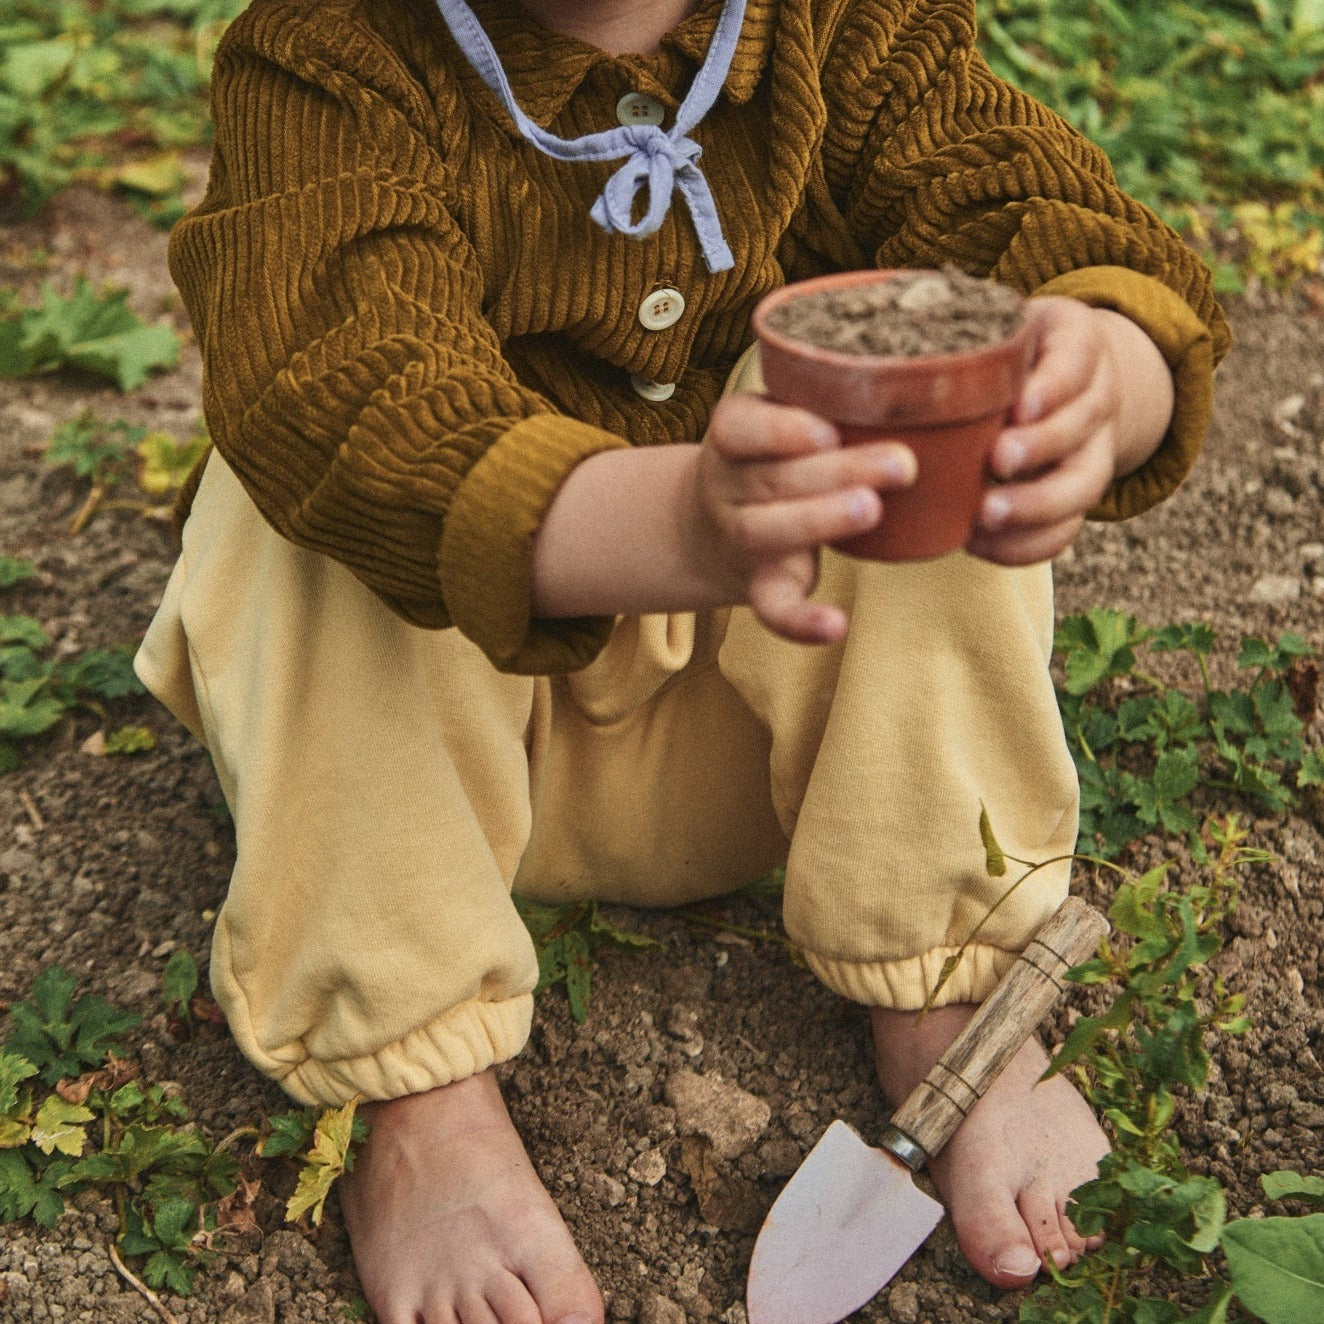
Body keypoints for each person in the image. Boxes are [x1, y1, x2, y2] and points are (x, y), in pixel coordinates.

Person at [135, 0, 1229, 1320]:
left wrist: (1103, 374)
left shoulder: (849, 26)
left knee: (939, 407)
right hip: (447, 772)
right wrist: (674, 521)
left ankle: (947, 991)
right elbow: (339, 382)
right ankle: (413, 1084)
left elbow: (1025, 203)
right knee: (300, 493)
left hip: (765, 752)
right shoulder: (330, 55)